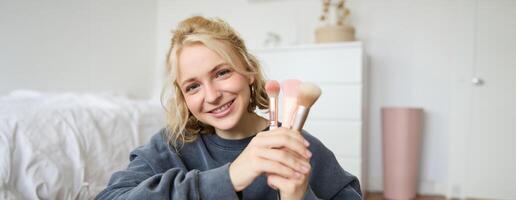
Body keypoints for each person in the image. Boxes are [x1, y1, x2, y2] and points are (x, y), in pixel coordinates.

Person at [95, 16, 361, 200]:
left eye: (222, 73)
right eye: (193, 86)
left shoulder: (300, 147)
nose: (211, 96)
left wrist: (299, 196)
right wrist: (229, 178)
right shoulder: (171, 146)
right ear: (183, 97)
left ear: (249, 72)